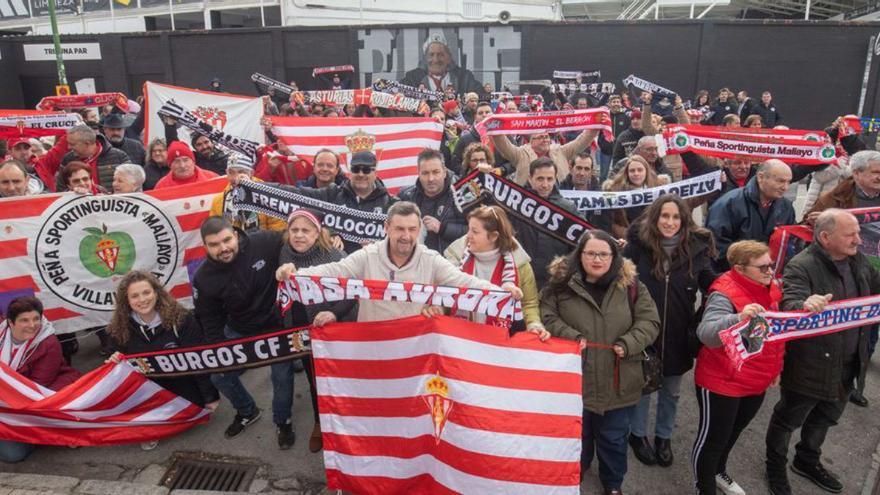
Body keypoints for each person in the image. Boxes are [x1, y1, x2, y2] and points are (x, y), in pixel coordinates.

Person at [765, 209, 880, 495]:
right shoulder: (801, 266)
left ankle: (807, 459)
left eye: (857, 232)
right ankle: (774, 467)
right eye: (850, 234)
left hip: (849, 362)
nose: (858, 239)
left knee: (826, 415)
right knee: (788, 419)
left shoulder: (858, 261)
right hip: (812, 363)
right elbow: (790, 302)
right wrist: (805, 304)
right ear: (826, 237)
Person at [541, 230, 660, 495]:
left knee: (614, 438)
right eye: (590, 253)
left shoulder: (631, 285)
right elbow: (545, 314)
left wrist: (629, 343)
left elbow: (650, 321)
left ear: (614, 256)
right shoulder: (559, 284)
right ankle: (576, 469)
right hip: (574, 379)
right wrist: (571, 336)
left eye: (603, 254)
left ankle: (613, 482)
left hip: (618, 381)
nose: (597, 259)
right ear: (580, 254)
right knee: (577, 434)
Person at [276, 201, 522, 323]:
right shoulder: (368, 256)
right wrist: (295, 273)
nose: (406, 236)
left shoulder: (431, 260)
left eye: (412, 229)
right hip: (373, 344)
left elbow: (465, 282)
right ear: (386, 228)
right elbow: (335, 270)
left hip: (413, 345)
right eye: (400, 229)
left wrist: (501, 292)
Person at [624, 195, 717, 469]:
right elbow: (617, 278)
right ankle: (637, 435)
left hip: (678, 333)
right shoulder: (636, 247)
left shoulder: (697, 249)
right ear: (655, 218)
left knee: (672, 391)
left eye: (676, 217)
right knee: (642, 389)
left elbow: (712, 282)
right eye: (664, 216)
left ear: (685, 220)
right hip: (642, 331)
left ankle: (664, 437)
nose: (670, 222)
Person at [192, 216, 298, 446]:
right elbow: (209, 318)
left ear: (235, 233)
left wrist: (333, 237)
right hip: (240, 328)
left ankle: (283, 420)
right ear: (205, 246)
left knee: (281, 376)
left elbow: (298, 237)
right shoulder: (203, 278)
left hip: (276, 324)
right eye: (214, 245)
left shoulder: (265, 241)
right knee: (219, 375)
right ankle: (247, 411)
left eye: (227, 240)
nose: (223, 248)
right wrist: (219, 350)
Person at [692, 240, 783, 495]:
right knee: (712, 440)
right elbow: (707, 333)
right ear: (740, 269)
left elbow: (776, 333)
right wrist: (738, 318)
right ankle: (704, 487)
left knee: (732, 434)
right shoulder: (724, 292)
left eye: (771, 266)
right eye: (763, 267)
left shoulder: (772, 287)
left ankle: (718, 471)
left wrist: (776, 367)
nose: (770, 272)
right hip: (722, 381)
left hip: (756, 380)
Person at [105, 271, 220, 450]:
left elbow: (198, 359)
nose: (142, 300)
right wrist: (113, 359)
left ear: (156, 293)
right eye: (134, 296)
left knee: (194, 411)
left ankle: (163, 421)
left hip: (182, 380)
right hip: (148, 388)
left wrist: (210, 396)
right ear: (126, 301)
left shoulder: (181, 318)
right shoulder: (118, 328)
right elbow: (114, 361)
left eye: (146, 292)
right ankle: (151, 427)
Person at [278, 209, 357, 453]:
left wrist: (334, 314)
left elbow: (352, 291)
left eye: (305, 230)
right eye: (294, 230)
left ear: (317, 232)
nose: (299, 235)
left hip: (333, 329)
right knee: (314, 380)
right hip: (301, 330)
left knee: (341, 379)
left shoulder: (334, 254)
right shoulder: (285, 252)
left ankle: (349, 424)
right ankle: (319, 422)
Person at [0, 296, 80, 463]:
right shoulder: (1, 334)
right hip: (7, 399)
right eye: (24, 320)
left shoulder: (49, 343)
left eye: (37, 318)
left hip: (40, 396)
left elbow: (35, 386)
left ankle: (45, 435)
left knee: (13, 455)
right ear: (10, 322)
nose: (32, 325)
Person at [443, 205, 544, 333]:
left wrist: (534, 325)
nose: (468, 236)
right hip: (461, 339)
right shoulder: (456, 258)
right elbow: (444, 297)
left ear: (493, 236)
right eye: (468, 229)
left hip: (501, 342)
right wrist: (437, 309)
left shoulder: (520, 265)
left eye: (475, 231)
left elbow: (529, 304)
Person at [277, 150, 395, 253]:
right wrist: (330, 232)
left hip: (372, 269)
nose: (360, 174)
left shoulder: (391, 203)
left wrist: (381, 248)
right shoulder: (333, 193)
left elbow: (403, 238)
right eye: (356, 169)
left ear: (375, 173)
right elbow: (297, 195)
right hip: (337, 268)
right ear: (349, 172)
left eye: (366, 170)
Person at [706, 159, 795, 271]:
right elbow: (716, 244)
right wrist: (748, 267)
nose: (785, 187)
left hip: (770, 274)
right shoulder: (730, 203)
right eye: (780, 181)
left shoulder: (786, 207)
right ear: (760, 177)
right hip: (734, 275)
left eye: (788, 182)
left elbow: (789, 242)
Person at [510, 157, 581, 287]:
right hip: (522, 279)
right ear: (530, 179)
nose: (545, 184)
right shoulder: (516, 205)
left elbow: (582, 238)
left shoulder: (568, 208)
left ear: (555, 179)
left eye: (549, 179)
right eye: (540, 179)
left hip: (556, 281)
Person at [397, 149, 466, 254]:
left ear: (444, 172)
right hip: (415, 264)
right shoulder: (406, 197)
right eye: (425, 173)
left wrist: (442, 228)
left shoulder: (461, 195)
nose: (431, 178)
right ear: (418, 174)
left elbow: (475, 231)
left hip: (450, 264)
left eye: (436, 172)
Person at [493, 124, 602, 186]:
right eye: (541, 137)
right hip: (529, 201)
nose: (545, 140)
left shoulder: (560, 151)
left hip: (559, 199)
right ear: (531, 141)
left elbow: (581, 141)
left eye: (547, 137)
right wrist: (494, 127)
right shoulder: (520, 154)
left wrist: (596, 126)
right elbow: (503, 145)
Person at [41, 125, 128, 192]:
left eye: (72, 144)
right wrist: (75, 193)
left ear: (87, 143)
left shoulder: (119, 156)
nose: (68, 147)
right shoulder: (67, 159)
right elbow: (60, 190)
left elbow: (132, 183)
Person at [210, 157, 285, 233]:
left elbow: (278, 229)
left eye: (241, 172)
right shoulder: (218, 200)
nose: (236, 177)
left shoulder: (268, 196)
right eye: (231, 172)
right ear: (226, 173)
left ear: (251, 173)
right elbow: (215, 231)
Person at [400, 31, 485, 96]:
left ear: (448, 58)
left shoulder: (465, 78)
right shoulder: (411, 79)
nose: (436, 60)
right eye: (431, 55)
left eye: (440, 54)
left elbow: (482, 97)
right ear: (425, 58)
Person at [604, 155, 661, 239]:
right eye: (632, 171)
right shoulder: (615, 192)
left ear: (646, 171)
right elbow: (611, 222)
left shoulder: (658, 189)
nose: (636, 173)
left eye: (640, 170)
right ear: (627, 173)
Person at [451, 102, 506, 175]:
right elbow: (455, 163)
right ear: (475, 117)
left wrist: (502, 170)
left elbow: (514, 160)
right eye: (480, 113)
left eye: (487, 112)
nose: (484, 115)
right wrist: (470, 172)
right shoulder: (465, 139)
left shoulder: (503, 136)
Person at [154, 142, 219, 189]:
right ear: (170, 165)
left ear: (193, 161)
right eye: (177, 161)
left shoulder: (213, 178)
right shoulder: (161, 186)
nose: (182, 165)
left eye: (185, 160)